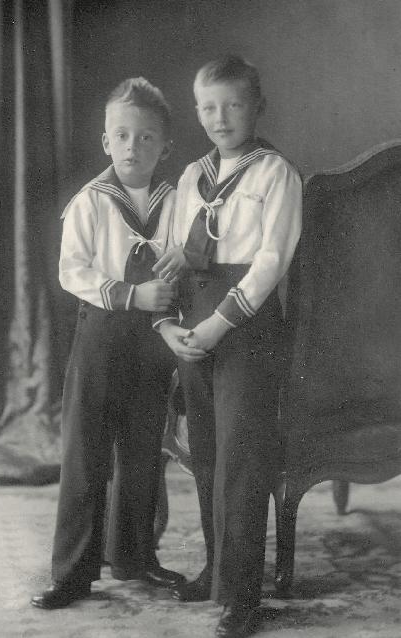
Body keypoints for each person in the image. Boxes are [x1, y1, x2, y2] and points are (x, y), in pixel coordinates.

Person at [154, 56, 302, 637]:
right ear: (197, 112)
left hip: (246, 323)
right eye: (209, 107)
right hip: (195, 318)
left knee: (241, 458)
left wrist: (219, 323)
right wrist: (171, 325)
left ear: (257, 107)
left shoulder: (275, 173)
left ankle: (242, 597)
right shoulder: (192, 176)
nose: (221, 118)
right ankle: (218, 569)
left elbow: (270, 263)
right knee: (207, 452)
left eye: (234, 105)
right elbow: (176, 254)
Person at [31, 77, 189, 610]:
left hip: (152, 341)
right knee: (87, 457)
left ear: (165, 147)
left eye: (145, 138)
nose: (132, 147)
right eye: (121, 135)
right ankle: (73, 573)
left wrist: (169, 287)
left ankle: (135, 557)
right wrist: (129, 294)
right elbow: (71, 270)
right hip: (101, 335)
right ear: (105, 141)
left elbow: (181, 262)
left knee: (142, 453)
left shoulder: (176, 202)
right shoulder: (91, 202)